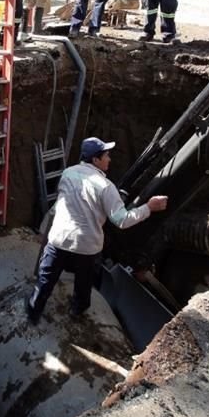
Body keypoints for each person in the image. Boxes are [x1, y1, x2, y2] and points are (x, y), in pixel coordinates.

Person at [26, 137, 168, 325]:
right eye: (106, 155)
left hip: (58, 239)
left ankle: (33, 313)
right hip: (87, 246)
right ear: (95, 160)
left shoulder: (68, 173)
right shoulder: (106, 187)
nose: (109, 159)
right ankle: (77, 310)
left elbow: (61, 203)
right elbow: (122, 220)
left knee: (45, 281)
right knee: (83, 284)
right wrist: (149, 207)